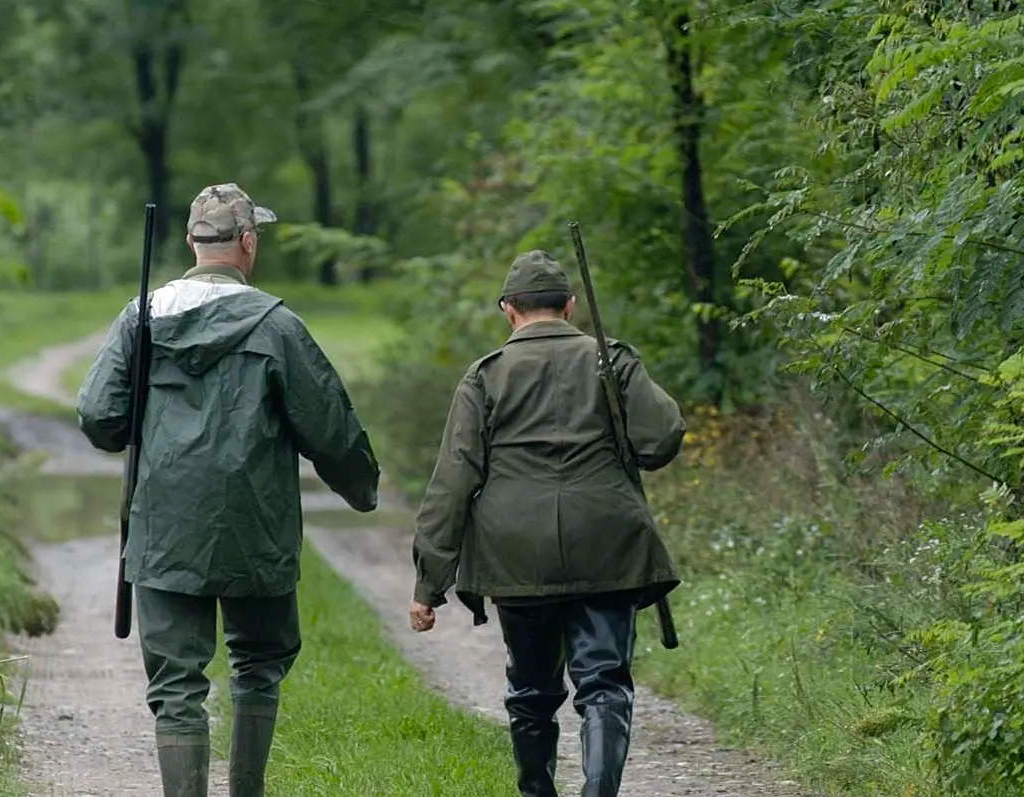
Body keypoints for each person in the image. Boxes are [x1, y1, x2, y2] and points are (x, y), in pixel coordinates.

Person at [77, 183, 381, 797]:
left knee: (176, 683)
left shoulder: (142, 315)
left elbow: (98, 417)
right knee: (258, 666)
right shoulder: (277, 325)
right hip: (256, 528)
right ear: (247, 243)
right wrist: (363, 491)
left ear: (192, 242)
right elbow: (330, 427)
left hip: (163, 526)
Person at [408, 249, 686, 797]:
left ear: (508, 309)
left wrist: (428, 584)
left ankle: (537, 791)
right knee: (605, 682)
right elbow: (660, 441)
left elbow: (453, 482)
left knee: (532, 689)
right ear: (571, 305)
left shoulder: (484, 377)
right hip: (608, 544)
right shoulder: (613, 360)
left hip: (516, 552)